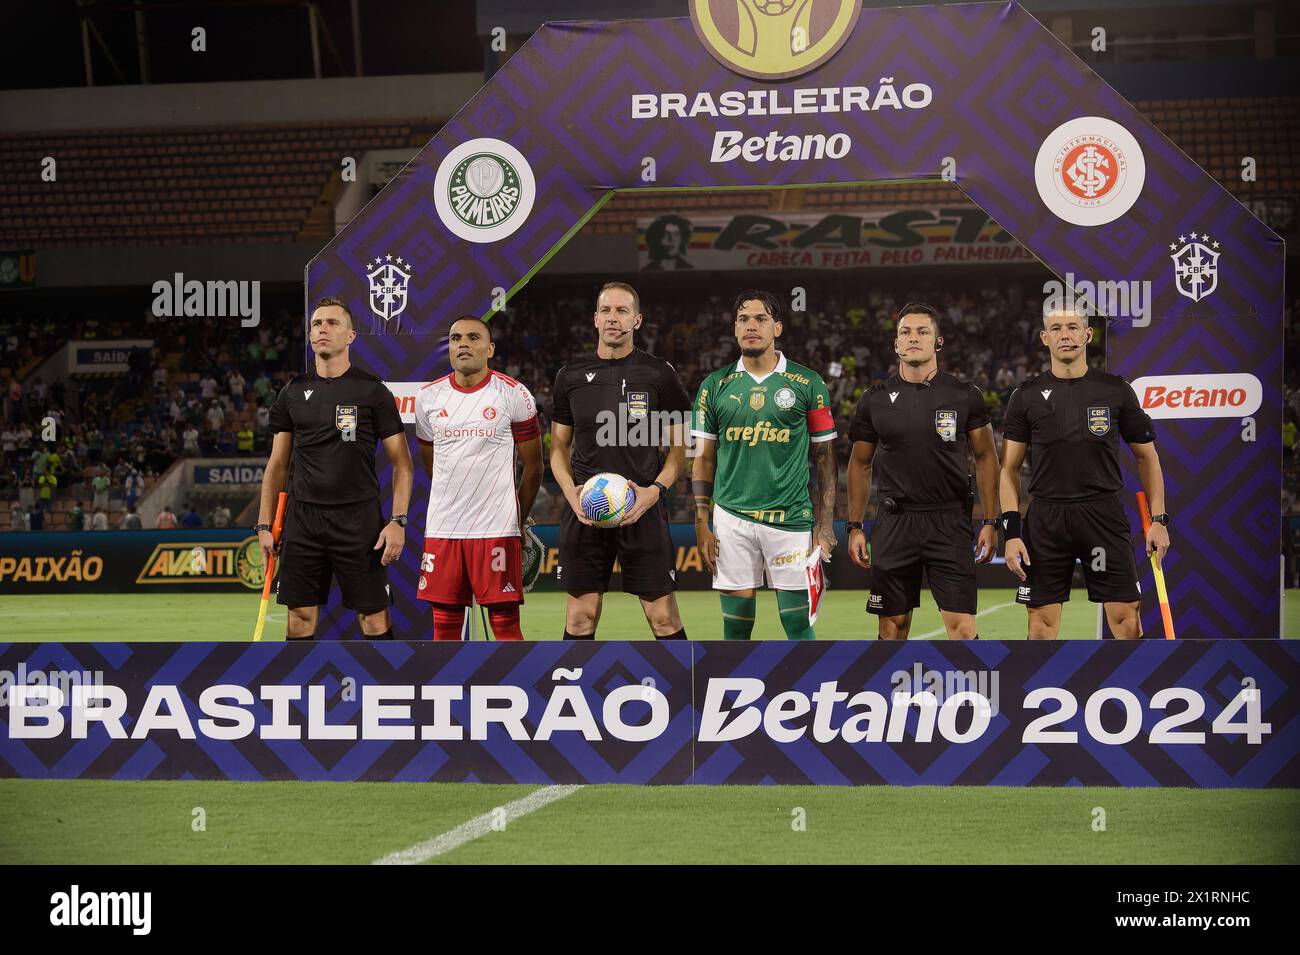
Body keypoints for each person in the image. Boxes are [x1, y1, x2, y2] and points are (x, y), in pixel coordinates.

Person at [1000, 308, 1171, 639]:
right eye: (1057, 328)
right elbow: (1008, 469)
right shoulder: (1025, 396)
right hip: (1046, 518)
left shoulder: (1116, 390)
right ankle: (1043, 690)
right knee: (1040, 627)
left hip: (1102, 514)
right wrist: (1012, 532)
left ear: (1088, 335)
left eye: (1073, 327)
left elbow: (1147, 457)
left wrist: (1160, 520)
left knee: (1127, 621)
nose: (1065, 334)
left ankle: (1129, 690)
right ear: (1045, 338)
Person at [257, 296, 413, 640]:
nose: (322, 329)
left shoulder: (373, 391)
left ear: (351, 336)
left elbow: (403, 464)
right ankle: (299, 695)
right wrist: (264, 525)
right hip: (303, 520)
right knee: (299, 619)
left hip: (359, 520)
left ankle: (382, 692)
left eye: (332, 323)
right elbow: (277, 464)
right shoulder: (292, 393)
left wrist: (398, 521)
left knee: (373, 619)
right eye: (316, 324)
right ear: (310, 336)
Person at [845, 303, 1000, 639]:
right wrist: (855, 525)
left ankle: (968, 693)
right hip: (895, 522)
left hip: (949, 521)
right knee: (892, 628)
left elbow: (986, 457)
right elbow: (860, 462)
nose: (913, 338)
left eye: (922, 331)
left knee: (962, 630)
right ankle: (893, 693)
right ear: (896, 344)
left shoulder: (964, 395)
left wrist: (990, 520)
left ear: (938, 342)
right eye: (905, 332)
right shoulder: (874, 399)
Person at [691, 289, 837, 641]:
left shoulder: (808, 383)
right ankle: (733, 695)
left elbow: (825, 458)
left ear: (778, 328)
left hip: (790, 519)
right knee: (736, 629)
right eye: (743, 319)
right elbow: (703, 458)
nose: (751, 326)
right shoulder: (714, 385)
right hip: (731, 519)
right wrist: (700, 521)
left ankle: (810, 694)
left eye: (760, 318)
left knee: (798, 625)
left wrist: (826, 525)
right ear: (734, 329)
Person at [549, 282, 692, 640]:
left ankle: (681, 697)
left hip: (642, 510)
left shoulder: (660, 374)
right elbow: (556, 450)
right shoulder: (569, 376)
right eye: (607, 311)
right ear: (596, 319)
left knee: (663, 618)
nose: (614, 318)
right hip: (585, 511)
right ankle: (573, 696)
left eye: (622, 311)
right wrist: (570, 494)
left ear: (637, 320)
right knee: (580, 618)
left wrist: (655, 491)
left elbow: (680, 450)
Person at [414, 317, 544, 640]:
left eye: (473, 338)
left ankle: (513, 689)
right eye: (456, 338)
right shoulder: (428, 398)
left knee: (506, 625)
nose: (463, 344)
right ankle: (448, 690)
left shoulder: (514, 394)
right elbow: (432, 465)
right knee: (443, 627)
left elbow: (535, 467)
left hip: (496, 529)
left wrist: (517, 518)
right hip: (443, 528)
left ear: (490, 348)